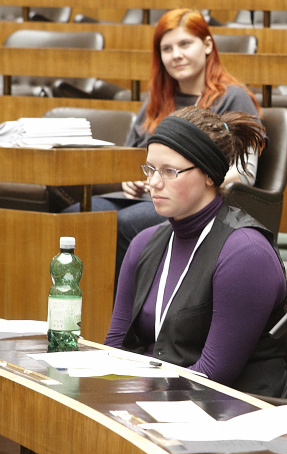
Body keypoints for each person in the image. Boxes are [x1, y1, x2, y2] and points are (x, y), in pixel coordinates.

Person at [65, 8, 261, 281]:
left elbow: (244, 172)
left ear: (206, 45)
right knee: (74, 216)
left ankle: (121, 313)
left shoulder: (234, 98)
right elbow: (131, 157)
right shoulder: (155, 101)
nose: (176, 55)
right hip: (142, 197)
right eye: (166, 48)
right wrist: (129, 180)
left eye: (184, 44)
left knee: (125, 224)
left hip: (192, 202)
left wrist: (182, 182)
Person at [105, 106, 287, 397]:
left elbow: (213, 374)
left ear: (209, 176)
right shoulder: (142, 244)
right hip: (163, 402)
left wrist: (138, 398)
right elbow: (116, 346)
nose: (153, 183)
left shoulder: (246, 255)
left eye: (169, 171)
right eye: (150, 169)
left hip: (230, 413)